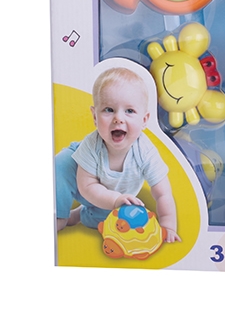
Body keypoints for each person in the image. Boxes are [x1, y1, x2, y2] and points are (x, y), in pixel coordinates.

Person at [55, 67, 180, 243]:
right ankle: (60, 215)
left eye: (129, 111)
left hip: (116, 195)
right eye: (109, 109)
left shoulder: (145, 152)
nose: (118, 118)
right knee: (61, 163)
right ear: (95, 116)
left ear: (144, 120)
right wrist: (114, 199)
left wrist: (168, 225)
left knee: (110, 223)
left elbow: (163, 193)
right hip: (82, 180)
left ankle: (78, 216)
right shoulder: (91, 145)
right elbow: (87, 186)